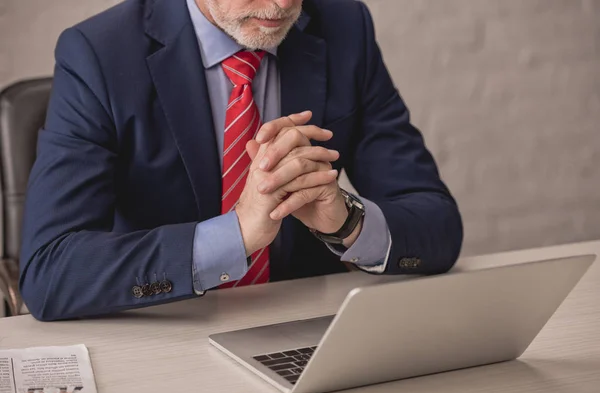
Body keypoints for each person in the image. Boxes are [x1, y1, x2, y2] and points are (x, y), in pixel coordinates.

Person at [19, 0, 463, 321]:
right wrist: (234, 235)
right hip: (165, 333)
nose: (283, 4)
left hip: (305, 329)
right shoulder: (97, 53)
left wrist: (346, 222)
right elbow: (50, 271)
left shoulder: (346, 26)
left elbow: (438, 225)